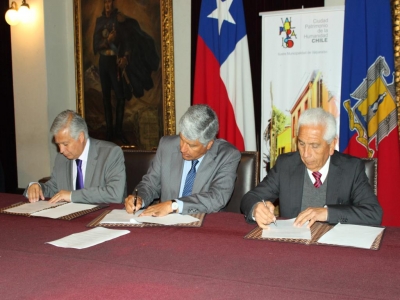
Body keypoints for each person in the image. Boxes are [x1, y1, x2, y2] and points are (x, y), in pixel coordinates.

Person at [241, 108, 382, 228]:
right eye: (302, 144)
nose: (306, 154)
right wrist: (256, 209)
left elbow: (373, 214)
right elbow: (250, 198)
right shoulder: (286, 165)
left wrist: (327, 213)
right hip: (293, 248)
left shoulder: (351, 169)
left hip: (334, 250)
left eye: (314, 146)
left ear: (332, 145)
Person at [125, 104, 241, 216]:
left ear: (209, 144)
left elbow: (217, 197)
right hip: (167, 225)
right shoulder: (167, 146)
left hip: (205, 227)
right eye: (182, 139)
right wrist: (139, 198)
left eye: (191, 145)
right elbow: (150, 184)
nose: (182, 148)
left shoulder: (227, 155)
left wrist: (174, 205)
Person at [24, 110, 126, 204]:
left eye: (65, 144)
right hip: (69, 220)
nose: (61, 150)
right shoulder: (62, 158)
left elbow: (115, 194)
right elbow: (54, 188)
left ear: (81, 137)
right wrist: (37, 188)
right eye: (58, 144)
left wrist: (72, 196)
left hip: (100, 218)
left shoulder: (110, 153)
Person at [93, 0, 159, 144]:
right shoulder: (100, 21)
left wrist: (125, 58)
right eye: (106, 3)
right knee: (105, 98)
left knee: (120, 97)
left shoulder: (119, 20)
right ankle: (109, 133)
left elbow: (127, 41)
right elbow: (95, 45)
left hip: (115, 62)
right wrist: (107, 40)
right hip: (104, 62)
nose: (108, 6)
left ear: (113, 4)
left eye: (110, 3)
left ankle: (118, 131)